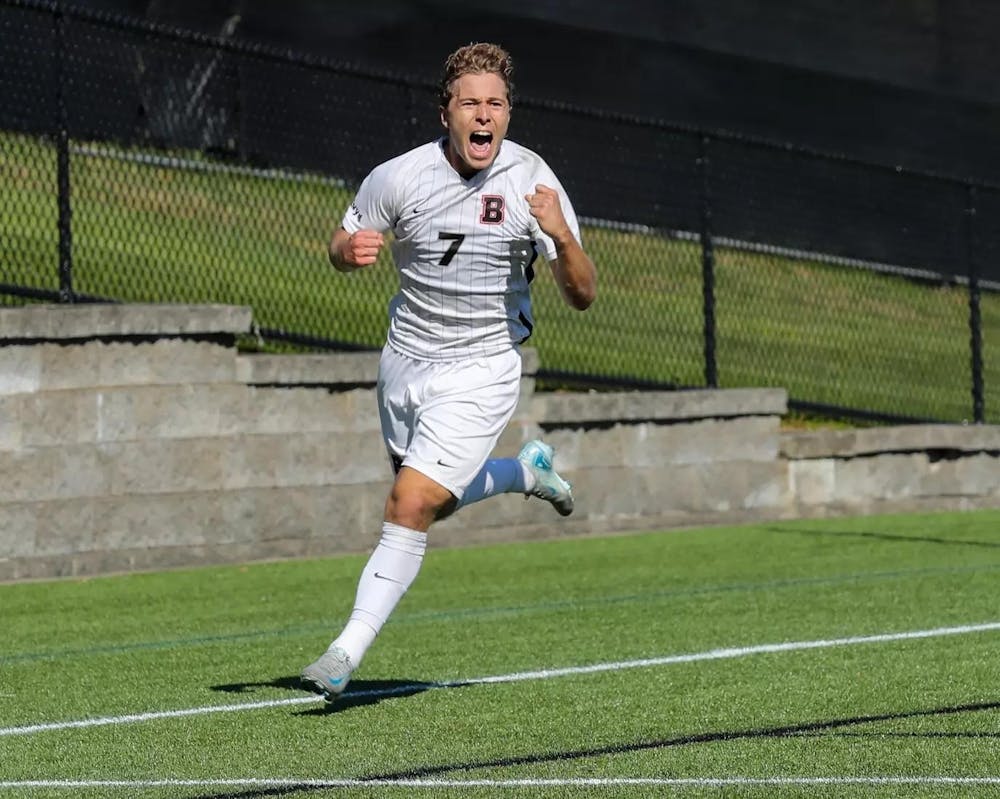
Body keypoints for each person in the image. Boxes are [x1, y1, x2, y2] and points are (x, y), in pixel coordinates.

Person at [301, 42, 597, 701]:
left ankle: (343, 651)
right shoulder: (398, 178)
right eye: (470, 103)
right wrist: (350, 252)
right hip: (404, 363)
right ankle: (527, 471)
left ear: (508, 115)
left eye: (495, 104)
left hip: (484, 367)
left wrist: (563, 237)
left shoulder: (533, 181)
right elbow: (340, 241)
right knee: (434, 498)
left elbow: (583, 293)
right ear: (446, 113)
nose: (483, 115)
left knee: (410, 499)